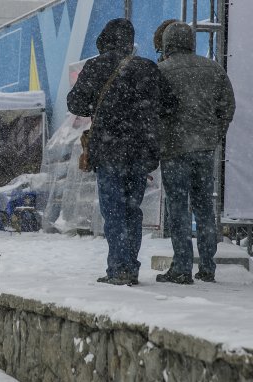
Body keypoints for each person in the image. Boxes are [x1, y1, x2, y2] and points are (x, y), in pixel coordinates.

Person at [67, 18, 175, 285]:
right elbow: (169, 105)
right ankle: (130, 265)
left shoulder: (96, 66)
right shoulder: (147, 67)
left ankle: (119, 268)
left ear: (104, 39)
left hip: (109, 150)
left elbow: (75, 103)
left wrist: (103, 108)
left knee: (114, 210)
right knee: (131, 209)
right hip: (140, 151)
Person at [155, 22, 236, 284]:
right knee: (204, 207)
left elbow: (153, 111)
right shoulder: (213, 69)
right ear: (191, 41)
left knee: (177, 208)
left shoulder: (161, 71)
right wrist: (214, 135)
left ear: (167, 43)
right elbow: (228, 107)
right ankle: (208, 266)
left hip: (174, 149)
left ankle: (181, 266)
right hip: (203, 149)